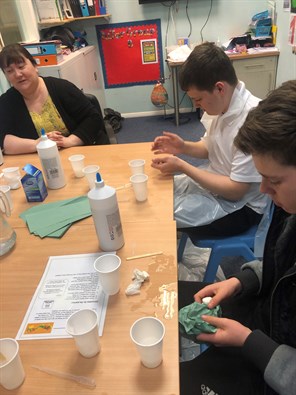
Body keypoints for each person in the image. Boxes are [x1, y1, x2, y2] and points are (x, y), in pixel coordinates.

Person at [179, 80, 296, 395]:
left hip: (274, 364)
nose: (263, 191)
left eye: (273, 180)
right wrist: (242, 281)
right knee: (174, 299)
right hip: (264, 322)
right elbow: (279, 264)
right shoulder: (289, 205)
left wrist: (248, 342)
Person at [151, 42, 268, 237]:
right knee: (158, 192)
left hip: (242, 208)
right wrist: (182, 146)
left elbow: (235, 190)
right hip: (218, 185)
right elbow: (210, 147)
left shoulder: (252, 122)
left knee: (159, 214)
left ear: (219, 88)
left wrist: (183, 166)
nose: (197, 105)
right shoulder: (223, 105)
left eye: (198, 99)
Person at [0, 43, 109, 154]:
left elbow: (93, 118)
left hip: (81, 153)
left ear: (35, 66)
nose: (17, 74)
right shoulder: (6, 102)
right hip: (39, 161)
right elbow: (3, 140)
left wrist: (69, 141)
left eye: (21, 66)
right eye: (9, 71)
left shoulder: (61, 88)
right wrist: (37, 144)